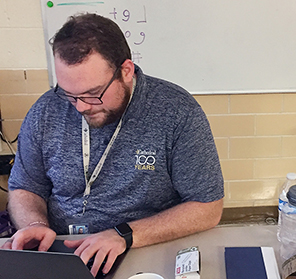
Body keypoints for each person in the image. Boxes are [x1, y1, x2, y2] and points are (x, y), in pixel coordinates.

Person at [2, 13, 224, 277]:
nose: (81, 107)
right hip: (60, 249)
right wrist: (34, 224)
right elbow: (25, 187)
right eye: (70, 94)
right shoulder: (46, 110)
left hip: (140, 247)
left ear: (126, 71)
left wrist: (124, 234)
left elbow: (207, 208)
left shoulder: (176, 112)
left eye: (93, 94)